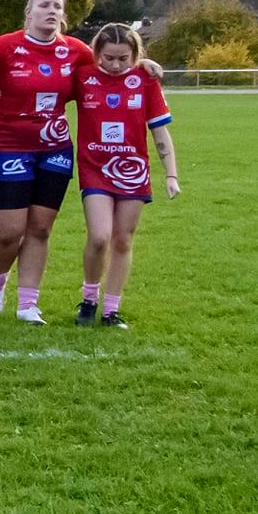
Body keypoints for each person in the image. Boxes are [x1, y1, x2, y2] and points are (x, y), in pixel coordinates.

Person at [0, 0, 94, 325]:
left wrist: (143, 65)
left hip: (55, 148)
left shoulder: (77, 52)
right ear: (29, 12)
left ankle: (28, 303)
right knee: (8, 232)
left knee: (41, 228)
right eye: (44, 5)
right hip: (8, 146)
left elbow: (107, 77)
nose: (51, 11)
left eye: (57, 6)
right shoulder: (2, 47)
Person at [72, 24, 178, 329]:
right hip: (94, 169)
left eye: (123, 58)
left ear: (135, 55)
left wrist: (171, 174)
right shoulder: (83, 76)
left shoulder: (145, 79)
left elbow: (160, 131)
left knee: (122, 240)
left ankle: (110, 310)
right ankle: (89, 299)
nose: (116, 65)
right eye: (108, 57)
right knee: (99, 236)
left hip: (133, 172)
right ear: (96, 53)